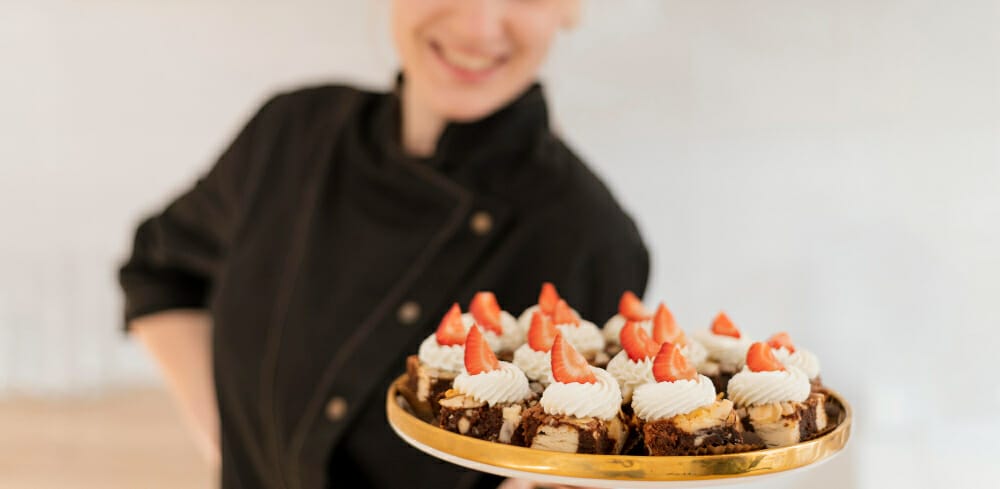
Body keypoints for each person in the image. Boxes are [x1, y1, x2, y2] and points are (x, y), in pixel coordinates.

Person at [118, 1, 648, 488]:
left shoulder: (591, 235)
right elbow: (160, 272)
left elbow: (564, 454)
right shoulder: (289, 135)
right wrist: (231, 442)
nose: (477, 26)